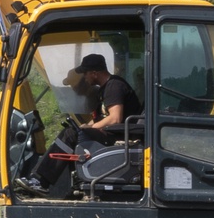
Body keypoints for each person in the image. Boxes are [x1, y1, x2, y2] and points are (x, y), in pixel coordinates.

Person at [23, 54, 145, 193]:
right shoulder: (105, 88)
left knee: (70, 134)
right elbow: (101, 118)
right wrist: (84, 126)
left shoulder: (114, 87)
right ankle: (46, 180)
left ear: (94, 73)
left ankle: (40, 181)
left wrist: (90, 128)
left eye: (86, 74)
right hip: (113, 132)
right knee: (73, 131)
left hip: (121, 135)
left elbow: (114, 119)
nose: (85, 78)